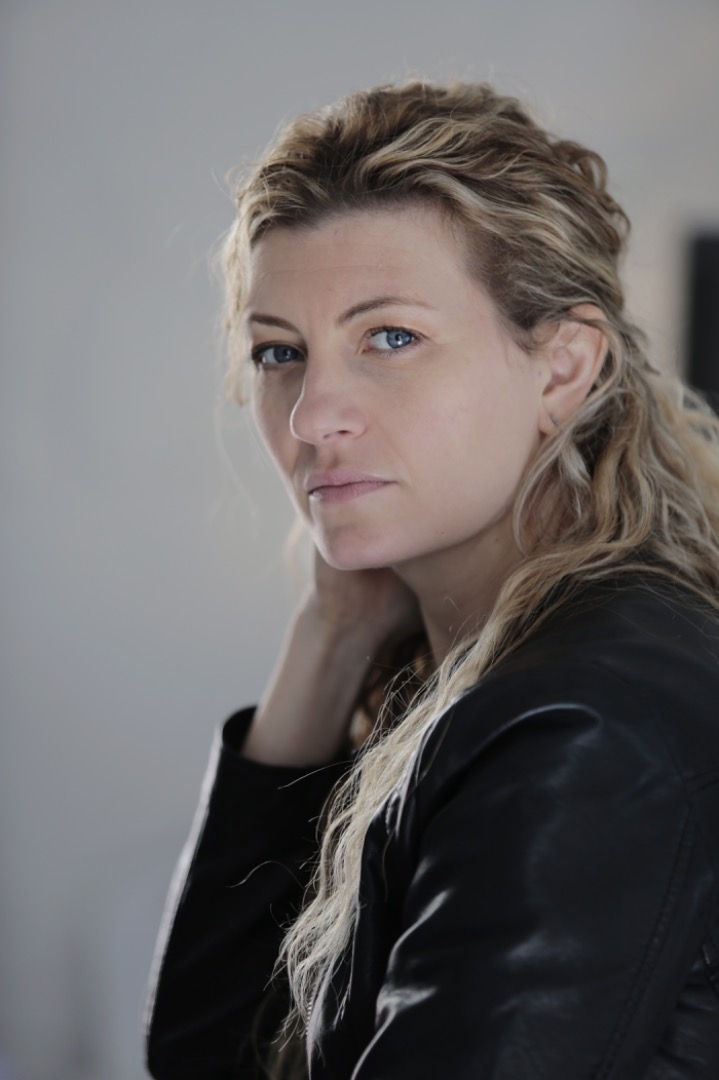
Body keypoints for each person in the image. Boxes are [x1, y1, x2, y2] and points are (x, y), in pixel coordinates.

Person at [144, 81, 719, 1079]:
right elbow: (215, 1055)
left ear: (561, 368)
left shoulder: (578, 723)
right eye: (280, 352)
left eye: (391, 338)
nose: (311, 415)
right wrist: (330, 635)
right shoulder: (477, 667)